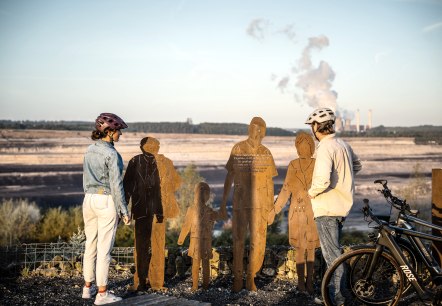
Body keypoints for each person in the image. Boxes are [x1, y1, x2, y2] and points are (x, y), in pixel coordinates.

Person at [304, 107, 362, 305]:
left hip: (327, 208)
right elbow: (358, 166)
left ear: (316, 126)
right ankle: (335, 295)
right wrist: (344, 181)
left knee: (333, 257)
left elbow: (321, 181)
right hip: (341, 206)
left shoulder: (325, 148)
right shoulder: (343, 144)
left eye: (312, 125)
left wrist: (310, 193)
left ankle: (338, 298)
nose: (312, 129)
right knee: (334, 253)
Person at [221, 117, 278, 292]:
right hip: (240, 204)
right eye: (253, 128)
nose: (256, 132)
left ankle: (251, 277)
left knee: (259, 242)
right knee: (238, 241)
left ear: (264, 132)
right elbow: (229, 177)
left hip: (261, 206)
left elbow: (269, 183)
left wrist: (272, 209)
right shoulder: (238, 149)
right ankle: (238, 279)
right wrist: (223, 203)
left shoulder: (266, 153)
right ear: (249, 129)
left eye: (260, 129)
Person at [82, 113, 131, 305]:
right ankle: (102, 294)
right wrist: (124, 211)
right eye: (118, 131)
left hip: (88, 199)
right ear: (109, 132)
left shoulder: (89, 149)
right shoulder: (112, 154)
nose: (120, 135)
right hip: (106, 200)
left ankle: (87, 288)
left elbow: (85, 177)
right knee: (104, 250)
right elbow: (117, 184)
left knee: (90, 245)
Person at [124, 136, 182, 291]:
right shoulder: (166, 162)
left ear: (142, 147)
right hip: (159, 210)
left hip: (142, 209)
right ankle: (156, 283)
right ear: (157, 147)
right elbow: (177, 182)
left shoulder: (135, 161)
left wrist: (123, 208)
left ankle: (140, 283)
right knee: (157, 246)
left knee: (141, 247)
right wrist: (164, 191)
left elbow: (127, 187)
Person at [268, 132, 319, 295]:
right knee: (299, 249)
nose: (304, 149)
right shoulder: (293, 165)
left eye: (307, 146)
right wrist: (274, 210)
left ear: (311, 147)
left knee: (310, 249)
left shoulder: (318, 164)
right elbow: (285, 190)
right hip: (296, 214)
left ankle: (310, 282)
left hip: (312, 213)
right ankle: (300, 284)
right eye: (300, 146)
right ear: (297, 148)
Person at [177, 182, 227, 291]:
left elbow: (221, 216)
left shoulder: (209, 211)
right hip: (197, 240)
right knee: (198, 263)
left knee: (203, 263)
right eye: (202, 192)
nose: (204, 195)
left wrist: (223, 205)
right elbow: (186, 226)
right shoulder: (194, 210)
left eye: (205, 193)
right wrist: (181, 239)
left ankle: (203, 285)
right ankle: (197, 285)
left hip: (204, 241)